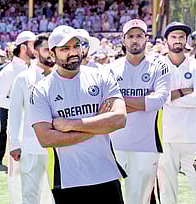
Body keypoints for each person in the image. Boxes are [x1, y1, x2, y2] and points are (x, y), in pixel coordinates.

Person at [28, 25, 127, 203]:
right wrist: (98, 125)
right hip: (67, 181)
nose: (72, 52)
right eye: (65, 48)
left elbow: (119, 119)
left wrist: (70, 125)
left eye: (76, 46)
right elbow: (46, 138)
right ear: (52, 54)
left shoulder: (102, 77)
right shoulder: (41, 90)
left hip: (106, 174)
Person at [108, 19, 171, 204]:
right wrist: (143, 101)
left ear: (146, 39)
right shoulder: (111, 68)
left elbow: (158, 100)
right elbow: (106, 104)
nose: (135, 40)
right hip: (114, 143)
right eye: (130, 36)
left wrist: (121, 102)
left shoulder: (159, 66)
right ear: (123, 40)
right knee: (112, 197)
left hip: (146, 146)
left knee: (139, 201)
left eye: (139, 36)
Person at [9, 33, 55, 204]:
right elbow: (14, 113)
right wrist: (15, 143)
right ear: (36, 52)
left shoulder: (63, 76)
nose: (50, 53)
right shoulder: (23, 78)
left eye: (53, 49)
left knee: (57, 194)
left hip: (59, 146)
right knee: (30, 195)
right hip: (31, 146)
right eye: (46, 49)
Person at [157, 22, 196, 204]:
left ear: (186, 40)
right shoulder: (158, 66)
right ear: (166, 41)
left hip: (192, 137)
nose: (178, 41)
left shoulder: (194, 65)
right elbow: (156, 98)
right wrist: (182, 92)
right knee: (167, 190)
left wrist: (169, 98)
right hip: (166, 137)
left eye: (181, 37)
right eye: (173, 37)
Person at [0, 31, 37, 168]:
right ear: (23, 48)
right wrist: (22, 104)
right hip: (17, 128)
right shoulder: (8, 71)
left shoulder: (36, 68)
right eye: (33, 45)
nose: (37, 48)